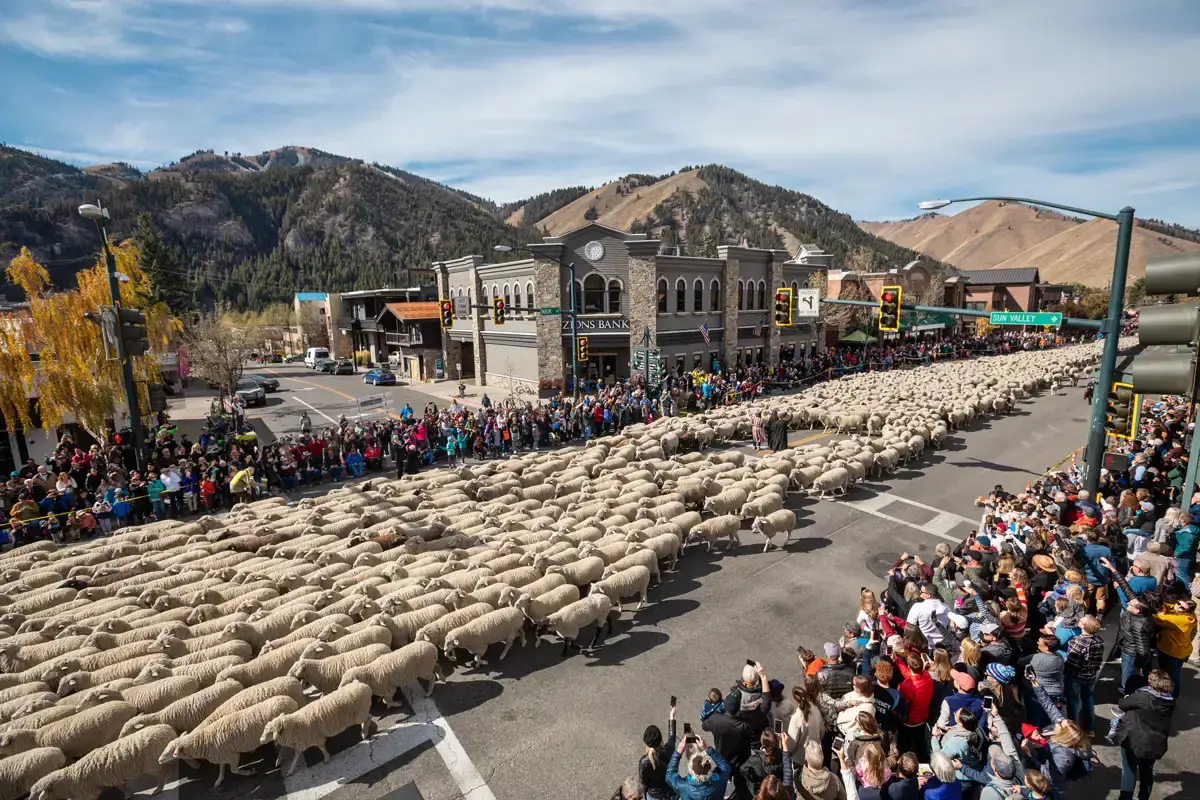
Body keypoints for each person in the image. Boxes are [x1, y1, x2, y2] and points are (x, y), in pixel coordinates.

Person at [1110, 668, 1175, 800]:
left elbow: (1122, 704)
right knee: (1147, 770)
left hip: (1135, 740)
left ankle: (1126, 797)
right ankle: (1144, 797)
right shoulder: (1170, 701)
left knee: (1129, 770)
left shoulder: (1143, 696)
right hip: (1156, 743)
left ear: (1152, 683)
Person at [666, 733, 732, 800]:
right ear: (710, 768)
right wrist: (707, 749)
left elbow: (669, 775)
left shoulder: (684, 787)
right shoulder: (720, 779)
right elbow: (725, 765)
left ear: (690, 770)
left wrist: (678, 752)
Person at [640, 703, 677, 800]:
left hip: (654, 795)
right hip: (668, 792)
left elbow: (643, 783)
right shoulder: (668, 750)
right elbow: (672, 737)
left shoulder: (645, 761)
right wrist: (671, 716)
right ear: (660, 739)